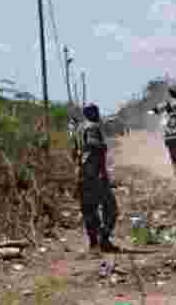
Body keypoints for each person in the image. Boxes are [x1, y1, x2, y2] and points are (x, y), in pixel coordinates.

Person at [75, 104, 120, 254]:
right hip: (94, 175)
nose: (98, 114)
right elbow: (93, 145)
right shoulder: (92, 127)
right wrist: (102, 171)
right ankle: (103, 239)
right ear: (92, 113)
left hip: (82, 174)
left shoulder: (78, 129)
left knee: (90, 210)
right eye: (96, 112)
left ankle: (94, 244)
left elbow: (76, 151)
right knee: (111, 208)